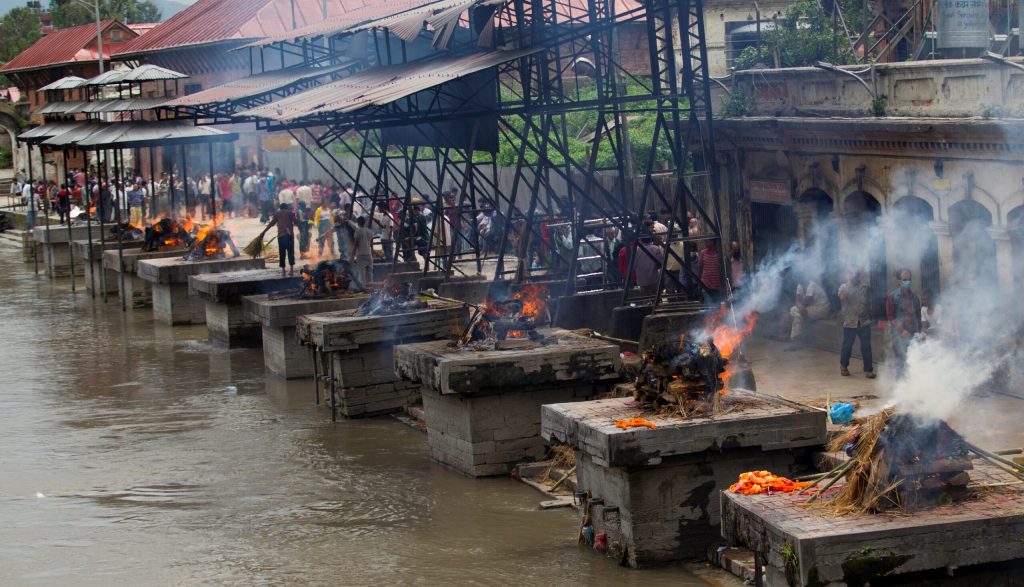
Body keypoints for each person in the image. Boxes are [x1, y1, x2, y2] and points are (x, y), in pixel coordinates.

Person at [838, 269, 875, 378]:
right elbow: (841, 297)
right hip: (850, 321)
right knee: (847, 346)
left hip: (864, 321)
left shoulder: (864, 287)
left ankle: (868, 370)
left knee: (866, 347)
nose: (854, 276)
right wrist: (848, 283)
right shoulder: (843, 287)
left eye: (855, 274)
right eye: (851, 274)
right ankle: (843, 365)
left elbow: (868, 302)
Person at [885, 269, 922, 376]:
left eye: (909, 280)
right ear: (899, 281)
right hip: (899, 336)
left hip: (912, 334)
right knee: (900, 362)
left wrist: (919, 332)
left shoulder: (915, 298)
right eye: (905, 280)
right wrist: (901, 330)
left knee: (913, 362)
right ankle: (900, 388)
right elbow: (891, 318)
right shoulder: (892, 297)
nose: (907, 282)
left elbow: (918, 317)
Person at [788, 276, 830, 348]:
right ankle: (796, 339)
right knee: (793, 310)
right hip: (809, 308)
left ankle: (795, 340)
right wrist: (800, 306)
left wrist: (800, 306)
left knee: (797, 314)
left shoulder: (812, 285)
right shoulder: (800, 285)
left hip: (822, 308)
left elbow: (806, 301)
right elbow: (798, 301)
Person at [260, 203, 297, 276]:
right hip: (289, 236)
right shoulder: (290, 213)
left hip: (281, 236)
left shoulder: (277, 214)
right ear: (286, 208)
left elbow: (271, 224)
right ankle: (291, 270)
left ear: (280, 208)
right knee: (290, 253)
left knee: (282, 253)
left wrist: (263, 232)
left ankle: (283, 271)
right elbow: (296, 222)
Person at [348, 215, 375, 284]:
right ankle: (370, 287)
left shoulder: (357, 231)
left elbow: (356, 244)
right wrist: (372, 252)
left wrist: (352, 256)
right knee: (370, 273)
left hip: (360, 255)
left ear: (358, 222)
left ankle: (363, 288)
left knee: (361, 273)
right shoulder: (369, 231)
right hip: (369, 254)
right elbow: (371, 244)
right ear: (364, 222)